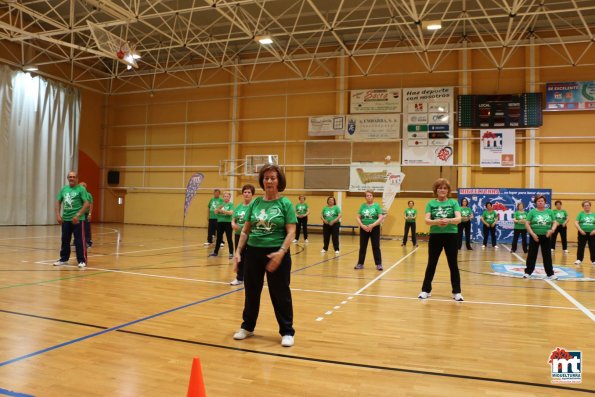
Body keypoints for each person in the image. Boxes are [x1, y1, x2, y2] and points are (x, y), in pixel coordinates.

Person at [232, 164, 297, 347]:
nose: (269, 181)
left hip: (277, 253)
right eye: (266, 178)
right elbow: (245, 231)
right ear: (262, 181)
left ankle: (287, 331)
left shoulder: (285, 204)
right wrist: (238, 252)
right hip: (253, 252)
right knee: (251, 291)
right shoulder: (255, 203)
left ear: (279, 181)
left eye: (273, 178)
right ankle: (248, 326)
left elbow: (291, 231)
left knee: (280, 293)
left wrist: (281, 252)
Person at [418, 178, 463, 301]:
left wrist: (448, 220)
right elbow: (427, 221)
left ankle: (457, 292)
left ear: (448, 190)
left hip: (451, 236)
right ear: (436, 190)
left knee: (453, 264)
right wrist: (437, 222)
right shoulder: (430, 204)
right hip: (435, 236)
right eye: (440, 188)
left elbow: (458, 219)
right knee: (431, 263)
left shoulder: (454, 203)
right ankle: (426, 290)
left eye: (445, 188)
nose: (442, 190)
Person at [53, 171, 90, 269]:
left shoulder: (81, 189)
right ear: (67, 178)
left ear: (77, 178)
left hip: (78, 220)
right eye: (70, 177)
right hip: (66, 219)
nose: (72, 178)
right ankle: (64, 259)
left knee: (79, 241)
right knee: (65, 239)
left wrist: (78, 215)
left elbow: (87, 203)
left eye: (73, 177)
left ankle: (82, 260)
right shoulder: (64, 189)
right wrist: (57, 215)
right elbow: (58, 201)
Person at [523, 195, 558, 279]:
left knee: (547, 255)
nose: (540, 202)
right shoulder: (532, 212)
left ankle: (550, 273)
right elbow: (527, 223)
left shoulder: (550, 212)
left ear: (545, 202)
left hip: (546, 236)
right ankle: (528, 272)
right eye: (538, 201)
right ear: (535, 203)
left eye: (542, 201)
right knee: (532, 254)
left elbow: (555, 222)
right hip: (535, 236)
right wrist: (533, 234)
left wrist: (552, 230)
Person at [230, 184, 255, 285]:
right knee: (239, 255)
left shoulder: (253, 206)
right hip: (238, 235)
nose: (246, 194)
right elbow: (233, 219)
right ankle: (240, 278)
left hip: (250, 236)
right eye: (245, 192)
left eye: (249, 192)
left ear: (252, 194)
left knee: (250, 257)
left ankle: (250, 277)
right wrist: (233, 224)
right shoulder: (239, 206)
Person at [354, 190, 385, 271]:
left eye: (370, 195)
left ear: (373, 197)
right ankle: (360, 263)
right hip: (364, 228)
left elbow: (380, 217)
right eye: (367, 195)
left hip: (375, 228)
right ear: (365, 197)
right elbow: (358, 217)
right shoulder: (362, 206)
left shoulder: (377, 206)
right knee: (363, 246)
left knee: (376, 246)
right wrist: (362, 226)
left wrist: (372, 225)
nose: (369, 197)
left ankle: (379, 264)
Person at [209, 191, 234, 258]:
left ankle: (231, 253)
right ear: (223, 197)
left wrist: (222, 211)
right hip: (220, 223)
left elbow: (230, 213)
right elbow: (216, 212)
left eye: (227, 196)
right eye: (225, 196)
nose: (226, 198)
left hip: (228, 223)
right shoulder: (221, 204)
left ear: (229, 197)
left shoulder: (231, 204)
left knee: (229, 238)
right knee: (219, 238)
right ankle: (215, 252)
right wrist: (219, 210)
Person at [574, 200, 595, 265]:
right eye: (585, 205)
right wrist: (580, 230)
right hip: (582, 233)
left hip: (592, 233)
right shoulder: (580, 214)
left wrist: (594, 231)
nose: (586, 207)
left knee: (593, 246)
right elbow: (576, 222)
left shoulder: (594, 214)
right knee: (581, 246)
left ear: (590, 206)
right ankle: (579, 259)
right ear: (583, 207)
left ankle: (594, 260)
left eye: (588, 205)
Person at [79, 182, 93, 249]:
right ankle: (77, 241)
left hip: (86, 214)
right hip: (80, 214)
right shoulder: (78, 194)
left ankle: (88, 242)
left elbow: (91, 205)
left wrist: (90, 214)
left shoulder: (88, 195)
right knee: (78, 228)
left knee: (87, 228)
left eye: (83, 186)